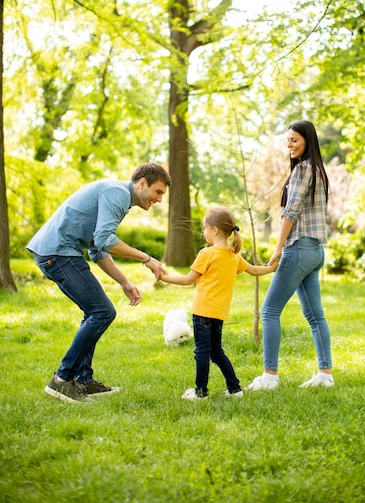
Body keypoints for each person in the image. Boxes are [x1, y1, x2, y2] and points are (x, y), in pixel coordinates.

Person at [27, 163, 171, 404]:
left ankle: (83, 380)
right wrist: (147, 259)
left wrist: (124, 282)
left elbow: (97, 249)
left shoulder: (119, 198)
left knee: (94, 312)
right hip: (58, 253)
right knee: (102, 311)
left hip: (56, 252)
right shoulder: (116, 194)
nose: (158, 199)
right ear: (142, 183)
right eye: (158, 192)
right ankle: (62, 380)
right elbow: (105, 240)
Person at [247, 120, 334, 391]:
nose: (290, 145)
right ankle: (325, 374)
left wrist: (277, 248)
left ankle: (269, 377)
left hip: (298, 249)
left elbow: (290, 212)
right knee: (315, 315)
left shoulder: (303, 169)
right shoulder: (319, 169)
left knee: (269, 310)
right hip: (316, 250)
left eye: (295, 140)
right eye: (288, 140)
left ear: (308, 140)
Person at [159, 206, 278, 400]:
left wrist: (164, 277)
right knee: (216, 352)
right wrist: (272, 267)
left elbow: (188, 280)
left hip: (203, 311)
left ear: (214, 230)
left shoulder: (207, 254)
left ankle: (200, 393)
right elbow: (255, 271)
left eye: (205, 228)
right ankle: (235, 389)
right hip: (219, 314)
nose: (203, 232)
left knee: (202, 353)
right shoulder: (233, 256)